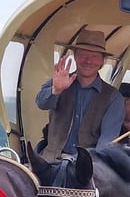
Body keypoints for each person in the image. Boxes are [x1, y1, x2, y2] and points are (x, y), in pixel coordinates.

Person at [35, 29, 124, 161]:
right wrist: (56, 90)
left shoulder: (113, 97)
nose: (88, 61)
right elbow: (41, 103)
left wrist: (90, 166)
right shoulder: (60, 82)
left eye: (95, 56)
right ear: (75, 56)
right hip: (52, 161)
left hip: (87, 166)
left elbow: (107, 141)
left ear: (102, 61)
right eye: (83, 55)